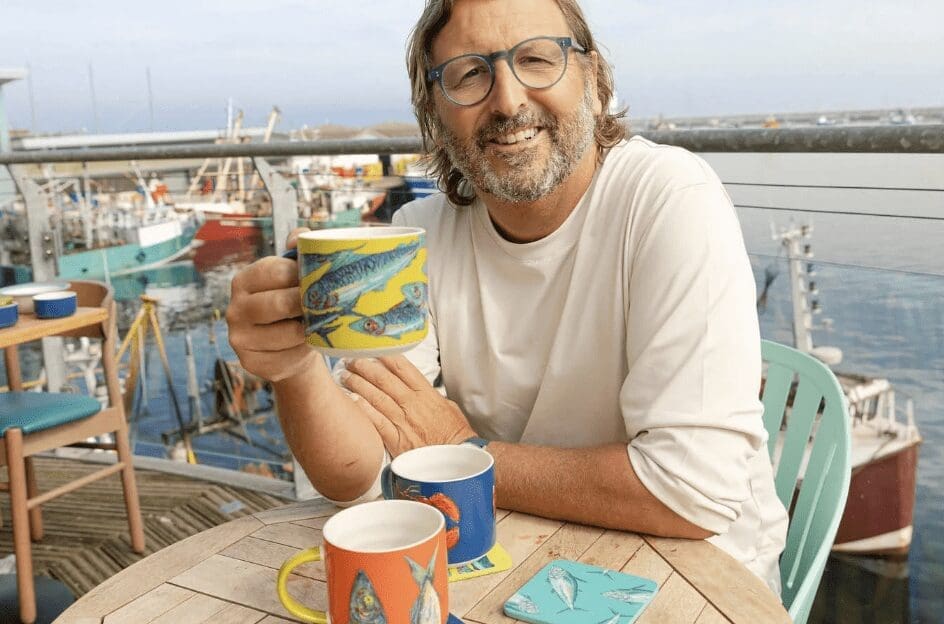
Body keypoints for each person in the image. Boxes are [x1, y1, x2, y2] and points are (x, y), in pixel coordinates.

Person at [226, 0, 788, 594]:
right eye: (469, 74)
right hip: (511, 567)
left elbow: (690, 494)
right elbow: (358, 472)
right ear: (436, 114)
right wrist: (294, 370)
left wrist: (459, 449)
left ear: (593, 81)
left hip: (694, 580)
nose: (508, 100)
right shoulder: (417, 235)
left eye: (537, 59)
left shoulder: (669, 200)